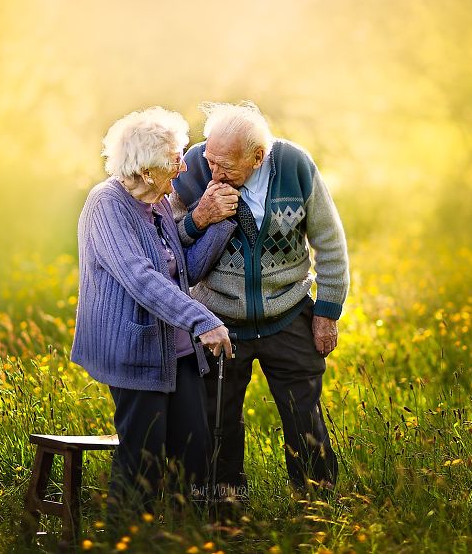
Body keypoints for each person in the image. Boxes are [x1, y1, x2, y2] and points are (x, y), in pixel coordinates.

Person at [171, 101, 349, 498]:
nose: (213, 171)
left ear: (258, 156)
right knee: (219, 420)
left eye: (225, 166)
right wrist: (199, 217)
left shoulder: (295, 166)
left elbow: (330, 242)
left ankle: (316, 503)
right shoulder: (195, 167)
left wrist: (327, 311)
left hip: (287, 313)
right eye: (210, 158)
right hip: (217, 319)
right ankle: (225, 508)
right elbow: (166, 244)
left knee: (304, 418)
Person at [71, 106, 236, 519]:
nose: (183, 167)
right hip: (134, 348)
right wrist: (204, 320)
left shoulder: (159, 204)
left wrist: (218, 222)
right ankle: (126, 539)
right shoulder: (105, 205)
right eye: (174, 159)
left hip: (176, 351)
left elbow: (184, 271)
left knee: (195, 451)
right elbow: (141, 278)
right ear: (146, 171)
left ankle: (188, 536)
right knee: (143, 461)